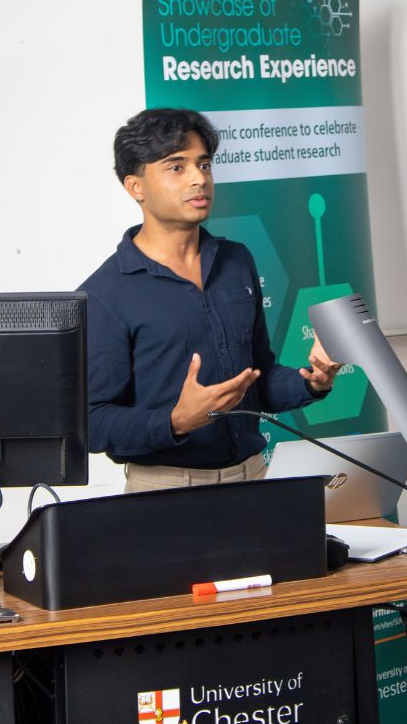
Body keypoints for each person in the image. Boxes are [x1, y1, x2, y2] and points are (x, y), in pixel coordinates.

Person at [79, 108, 341, 493]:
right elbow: (90, 422)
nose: (199, 178)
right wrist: (176, 421)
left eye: (204, 164)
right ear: (136, 187)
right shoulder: (104, 293)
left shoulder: (237, 261)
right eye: (176, 167)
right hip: (165, 492)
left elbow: (259, 379)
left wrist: (311, 381)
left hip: (253, 477)